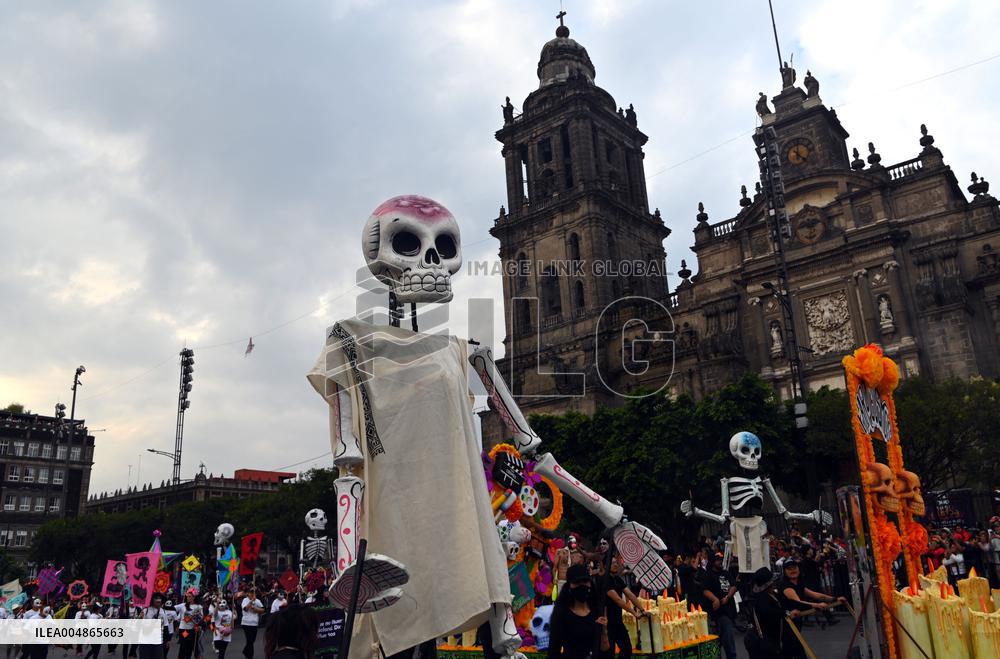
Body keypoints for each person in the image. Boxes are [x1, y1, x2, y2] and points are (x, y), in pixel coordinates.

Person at [548, 564, 606, 659]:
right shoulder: (562, 612)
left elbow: (605, 650)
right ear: (569, 586)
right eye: (577, 582)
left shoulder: (596, 610)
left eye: (585, 581)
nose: (582, 585)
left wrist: (604, 632)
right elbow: (554, 650)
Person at [602, 555, 648, 659]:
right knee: (609, 654)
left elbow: (630, 594)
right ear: (605, 566)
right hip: (607, 623)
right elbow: (618, 600)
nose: (615, 564)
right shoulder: (605, 580)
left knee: (627, 649)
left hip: (617, 621)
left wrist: (642, 609)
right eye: (612, 562)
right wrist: (633, 612)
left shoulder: (617, 579)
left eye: (616, 562)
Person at [699, 554, 738, 659]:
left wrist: (728, 596)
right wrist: (715, 599)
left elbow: (734, 586)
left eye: (721, 559)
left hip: (728, 610)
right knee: (725, 638)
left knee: (725, 638)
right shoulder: (708, 574)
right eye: (717, 560)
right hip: (718, 613)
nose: (720, 561)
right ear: (713, 561)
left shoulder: (726, 573)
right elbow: (705, 590)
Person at [175, 591, 204, 659]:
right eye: (187, 596)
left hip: (192, 630)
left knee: (190, 648)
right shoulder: (183, 605)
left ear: (194, 597)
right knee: (183, 646)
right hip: (183, 630)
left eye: (190, 596)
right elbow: (173, 608)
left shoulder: (199, 607)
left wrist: (196, 621)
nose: (188, 598)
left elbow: (201, 618)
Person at [140, 595, 168, 659]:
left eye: (160, 599)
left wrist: (168, 640)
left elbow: (166, 626)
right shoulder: (145, 611)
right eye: (156, 598)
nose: (158, 600)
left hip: (158, 642)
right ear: (152, 600)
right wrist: (139, 618)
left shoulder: (163, 611)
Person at [240, 588, 265, 659]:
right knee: (249, 640)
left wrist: (256, 609)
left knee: (252, 640)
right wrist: (251, 601)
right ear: (248, 593)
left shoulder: (258, 601)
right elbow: (245, 609)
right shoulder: (245, 600)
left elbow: (263, 609)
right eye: (250, 592)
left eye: (253, 593)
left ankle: (245, 651)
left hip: (254, 623)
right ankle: (250, 656)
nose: (252, 594)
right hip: (246, 623)